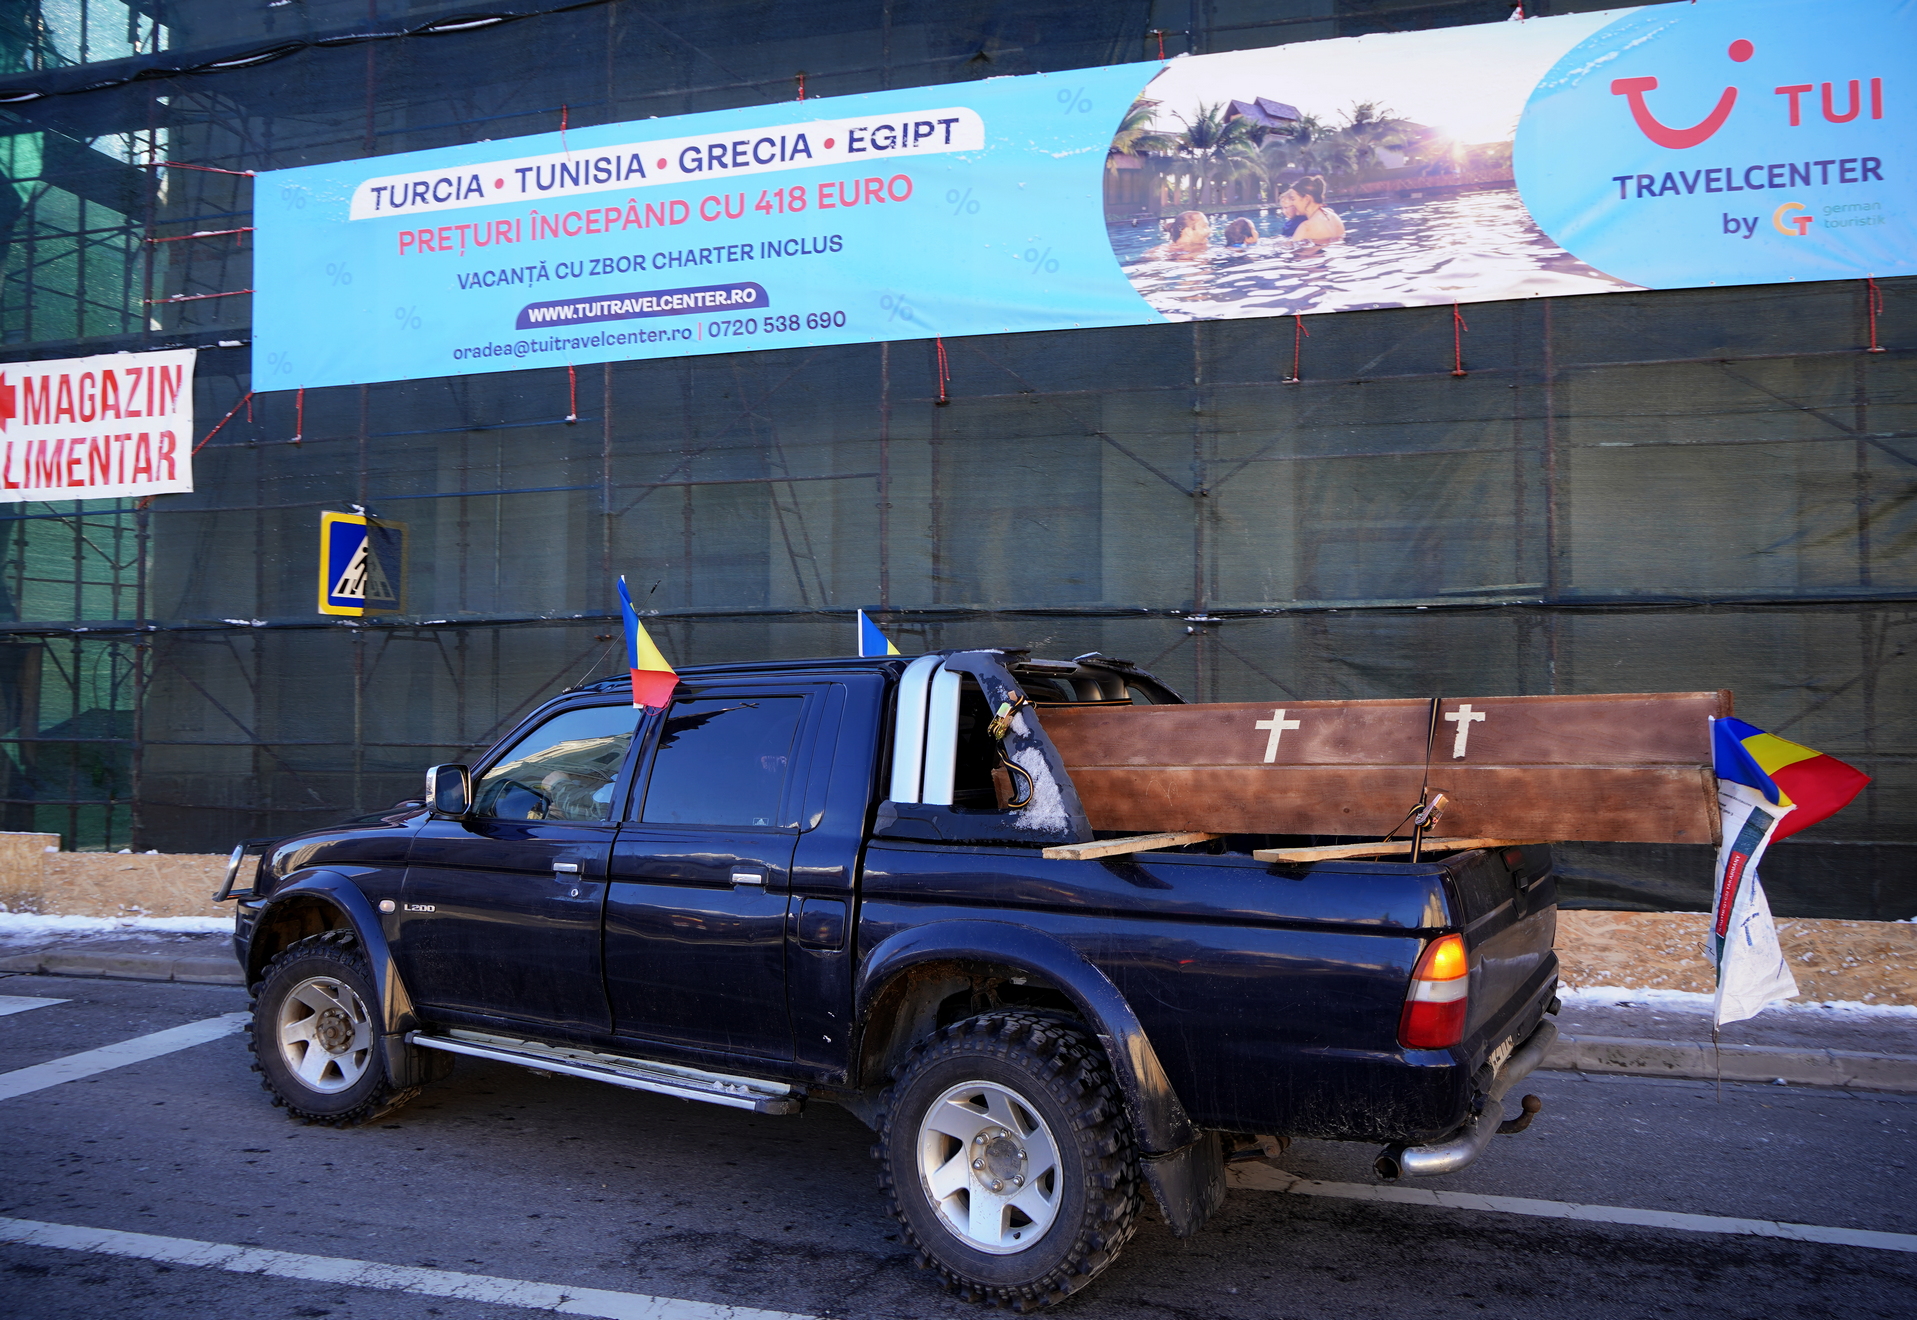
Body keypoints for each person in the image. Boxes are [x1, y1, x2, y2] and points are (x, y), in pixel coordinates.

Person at [1279, 175, 1344, 245]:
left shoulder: (1306, 227)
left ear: (1306, 199)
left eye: (1293, 199)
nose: (1293, 203)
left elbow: (1295, 253)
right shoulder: (1333, 216)